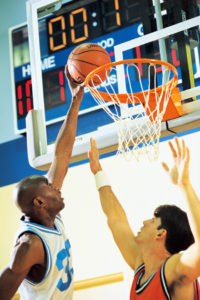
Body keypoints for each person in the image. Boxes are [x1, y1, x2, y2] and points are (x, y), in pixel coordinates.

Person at [0, 67, 84, 300]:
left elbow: (62, 155)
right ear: (40, 202)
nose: (56, 186)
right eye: (50, 187)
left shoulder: (48, 214)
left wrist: (75, 101)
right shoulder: (29, 245)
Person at [88, 137, 200, 300]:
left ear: (160, 234)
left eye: (153, 221)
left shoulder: (174, 270)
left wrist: (184, 185)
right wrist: (98, 172)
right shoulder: (141, 266)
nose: (144, 222)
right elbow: (116, 218)